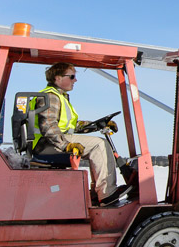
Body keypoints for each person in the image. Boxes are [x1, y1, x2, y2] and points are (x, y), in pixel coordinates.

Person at [32, 62, 132, 206]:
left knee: (97, 144)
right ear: (58, 78)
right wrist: (66, 145)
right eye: (71, 76)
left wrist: (97, 124)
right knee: (99, 144)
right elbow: (48, 126)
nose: (75, 80)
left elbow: (72, 126)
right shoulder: (51, 96)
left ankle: (96, 193)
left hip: (53, 141)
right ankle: (106, 193)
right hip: (47, 144)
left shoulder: (60, 96)